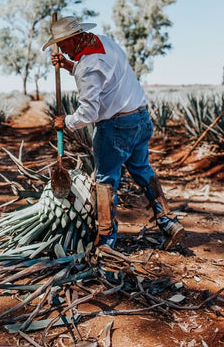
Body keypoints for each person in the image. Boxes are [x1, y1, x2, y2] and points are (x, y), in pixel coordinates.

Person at [42, 16, 184, 250]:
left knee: (105, 181)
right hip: (140, 117)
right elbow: (104, 75)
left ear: (74, 38)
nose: (63, 51)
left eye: (63, 45)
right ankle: (168, 222)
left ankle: (106, 240)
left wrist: (65, 122)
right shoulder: (105, 42)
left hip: (116, 126)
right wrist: (70, 66)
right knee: (142, 169)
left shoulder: (87, 67)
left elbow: (88, 112)